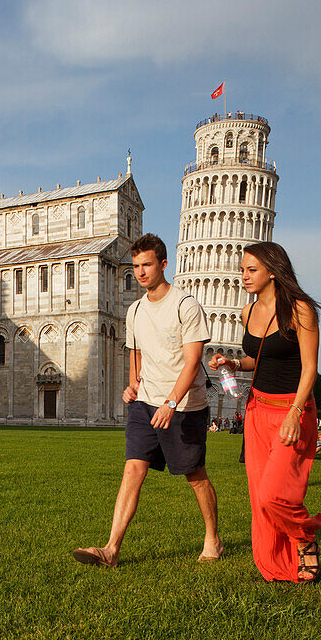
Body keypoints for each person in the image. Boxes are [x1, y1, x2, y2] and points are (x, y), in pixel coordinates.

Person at [73, 234, 222, 568]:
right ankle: (111, 549)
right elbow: (136, 353)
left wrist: (170, 403)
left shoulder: (185, 305)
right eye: (136, 266)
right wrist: (132, 386)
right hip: (145, 404)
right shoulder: (135, 310)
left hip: (184, 406)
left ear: (163, 265)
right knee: (132, 470)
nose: (140, 272)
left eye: (147, 265)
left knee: (195, 475)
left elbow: (192, 360)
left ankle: (212, 538)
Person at [210, 241, 321, 583]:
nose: (243, 276)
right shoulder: (247, 312)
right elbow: (260, 359)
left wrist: (295, 412)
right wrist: (235, 363)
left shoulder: (300, 310)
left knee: (277, 493)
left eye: (251, 270)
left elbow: (310, 369)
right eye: (242, 269)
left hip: (292, 412)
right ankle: (277, 564)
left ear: (272, 271)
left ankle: (305, 541)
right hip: (257, 411)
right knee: (260, 498)